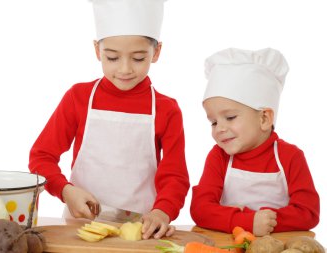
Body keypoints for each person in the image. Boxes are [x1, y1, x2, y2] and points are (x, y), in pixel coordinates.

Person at [29, 0, 189, 240]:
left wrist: (162, 212)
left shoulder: (167, 109)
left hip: (141, 232)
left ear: (156, 53)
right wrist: (65, 191)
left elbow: (175, 176)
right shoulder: (78, 98)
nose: (125, 69)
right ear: (97, 50)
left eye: (137, 58)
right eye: (112, 58)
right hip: (81, 229)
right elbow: (41, 157)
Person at [190, 48, 320, 236]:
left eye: (231, 117)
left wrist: (264, 222)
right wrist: (248, 221)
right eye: (213, 122)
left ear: (264, 119)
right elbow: (200, 210)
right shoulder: (218, 156)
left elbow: (308, 213)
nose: (219, 128)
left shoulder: (290, 156)